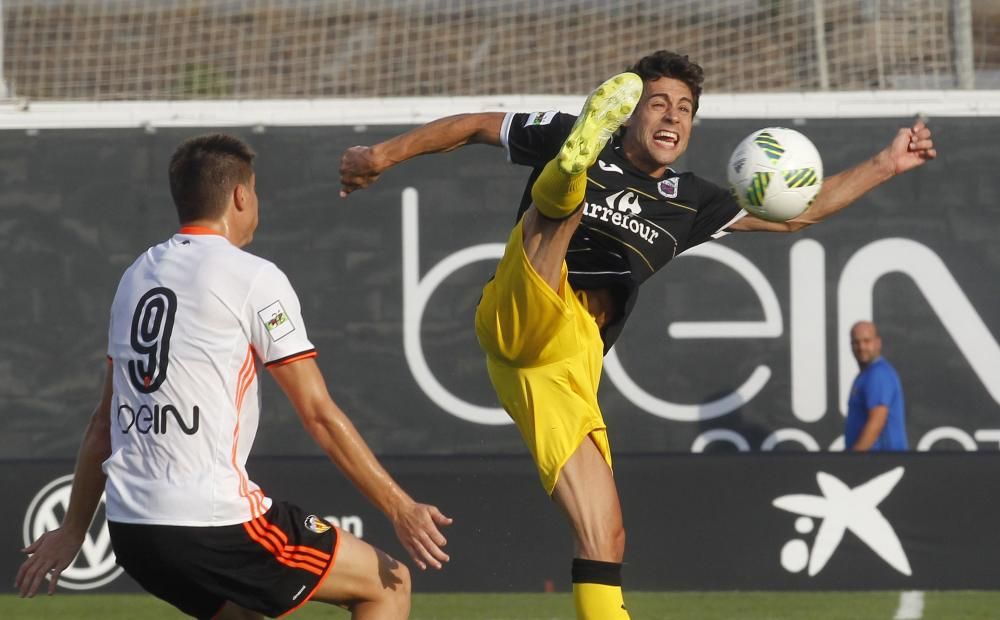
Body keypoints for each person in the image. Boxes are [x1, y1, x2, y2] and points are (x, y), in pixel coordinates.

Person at [339, 50, 935, 619]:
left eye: (684, 107)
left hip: (570, 367)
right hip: (529, 299)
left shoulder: (691, 202)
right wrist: (381, 156)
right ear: (628, 112)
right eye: (657, 102)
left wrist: (887, 162)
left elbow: (798, 213)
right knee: (561, 208)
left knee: (606, 536)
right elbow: (472, 125)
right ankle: (569, 175)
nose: (672, 114)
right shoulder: (575, 130)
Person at [15, 134, 452, 619]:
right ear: (241, 196)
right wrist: (400, 508)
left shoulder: (136, 277)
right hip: (210, 521)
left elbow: (103, 421)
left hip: (131, 529)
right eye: (256, 192)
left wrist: (75, 530)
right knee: (387, 586)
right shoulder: (253, 277)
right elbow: (319, 414)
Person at [845, 320, 908, 451]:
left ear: (878, 343)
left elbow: (877, 419)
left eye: (867, 341)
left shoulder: (878, 374)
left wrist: (852, 460)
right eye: (856, 342)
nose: (861, 347)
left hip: (881, 462)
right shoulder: (866, 375)